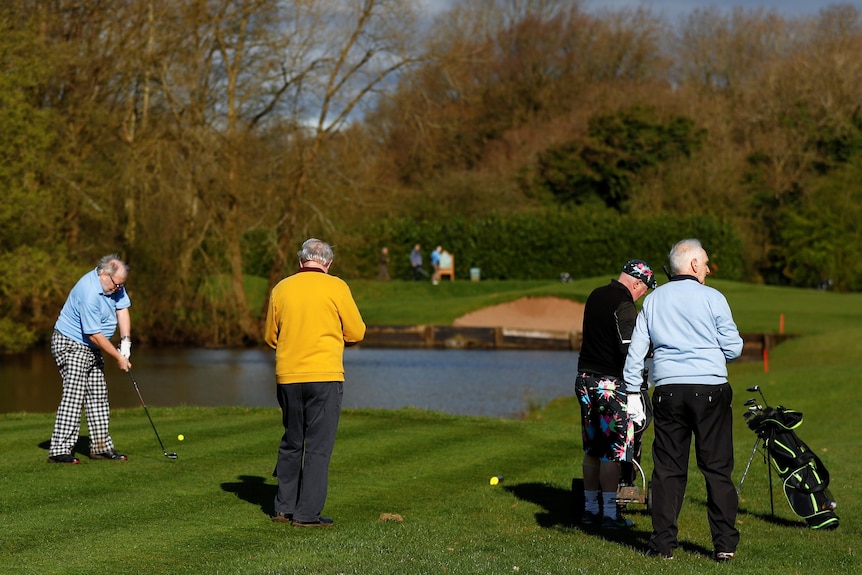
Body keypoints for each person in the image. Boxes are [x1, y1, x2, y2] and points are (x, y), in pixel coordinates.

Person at [623, 238, 743, 562]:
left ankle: (663, 545)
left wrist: (633, 391)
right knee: (716, 468)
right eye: (705, 263)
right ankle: (724, 545)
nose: (707, 268)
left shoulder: (653, 300)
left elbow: (636, 353)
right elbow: (734, 349)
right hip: (711, 390)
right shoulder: (713, 298)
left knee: (668, 469)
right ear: (692, 265)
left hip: (669, 390)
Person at [265, 238, 366, 527]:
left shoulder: (281, 288)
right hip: (324, 375)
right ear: (328, 263)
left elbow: (270, 337)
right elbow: (357, 331)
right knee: (319, 446)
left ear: (300, 261)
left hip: (288, 375)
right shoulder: (337, 287)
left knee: (292, 441)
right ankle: (307, 514)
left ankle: (283, 508)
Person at [576, 259, 656, 530]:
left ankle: (588, 510)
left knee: (592, 448)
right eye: (643, 290)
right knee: (613, 451)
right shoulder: (624, 304)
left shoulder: (596, 294)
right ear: (636, 283)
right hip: (610, 384)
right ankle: (610, 514)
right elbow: (629, 349)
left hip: (585, 379)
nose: (641, 294)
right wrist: (651, 350)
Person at [47, 254, 133, 464]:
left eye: (122, 285)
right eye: (116, 284)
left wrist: (126, 342)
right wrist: (118, 357)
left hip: (90, 346)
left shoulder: (114, 285)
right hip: (70, 343)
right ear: (104, 274)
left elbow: (122, 310)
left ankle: (101, 448)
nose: (118, 289)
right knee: (75, 393)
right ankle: (59, 450)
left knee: (98, 394)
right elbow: (94, 334)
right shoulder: (88, 292)